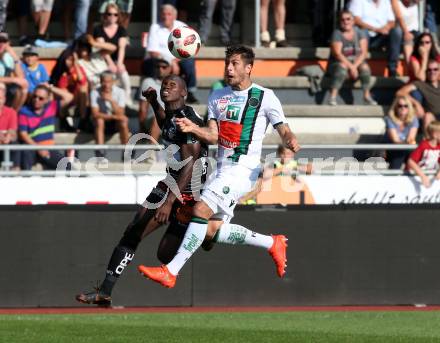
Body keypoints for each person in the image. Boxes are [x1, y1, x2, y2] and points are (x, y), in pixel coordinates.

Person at [138, 45, 300, 288]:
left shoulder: (265, 96)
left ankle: (171, 271)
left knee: (199, 211)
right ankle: (272, 243)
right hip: (223, 169)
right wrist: (193, 128)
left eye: (234, 63)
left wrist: (290, 138)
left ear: (248, 68)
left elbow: (283, 128)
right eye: (227, 63)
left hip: (243, 169)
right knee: (211, 229)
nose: (229, 68)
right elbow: (213, 136)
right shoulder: (217, 97)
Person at [75, 74, 209, 305]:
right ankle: (105, 292)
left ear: (184, 93)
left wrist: (169, 202)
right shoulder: (172, 115)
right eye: (164, 84)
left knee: (165, 254)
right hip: (171, 182)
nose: (166, 87)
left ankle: (206, 234)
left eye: (172, 85)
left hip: (189, 190)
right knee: (133, 230)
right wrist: (154, 103)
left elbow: (191, 164)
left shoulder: (187, 119)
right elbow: (166, 123)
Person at [143, 4, 199, 104]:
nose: (166, 16)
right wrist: (170, 62)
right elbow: (153, 52)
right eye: (164, 14)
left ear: (174, 16)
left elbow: (189, 48)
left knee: (189, 61)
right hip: (160, 59)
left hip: (177, 59)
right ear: (160, 15)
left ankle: (190, 92)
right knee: (150, 64)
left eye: (169, 14)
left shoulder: (181, 26)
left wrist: (175, 61)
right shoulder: (155, 27)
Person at [327, 10, 377, 106]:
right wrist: (352, 67)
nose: (345, 22)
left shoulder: (360, 32)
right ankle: (333, 96)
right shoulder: (337, 33)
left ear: (353, 21)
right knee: (342, 67)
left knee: (365, 67)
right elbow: (338, 54)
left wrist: (354, 66)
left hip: (355, 63)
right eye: (342, 20)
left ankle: (366, 96)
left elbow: (363, 53)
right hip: (338, 65)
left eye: (348, 19)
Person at [18, 84, 73, 170]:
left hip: (48, 148)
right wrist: (38, 148)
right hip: (31, 147)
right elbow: (23, 134)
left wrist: (50, 88)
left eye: (41, 98)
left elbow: (69, 97)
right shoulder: (24, 111)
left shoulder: (52, 107)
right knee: (26, 155)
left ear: (47, 100)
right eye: (34, 96)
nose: (36, 100)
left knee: (67, 166)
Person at [93, 2, 131, 104]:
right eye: (110, 14)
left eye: (115, 14)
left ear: (118, 15)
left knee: (124, 75)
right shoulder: (98, 29)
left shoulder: (121, 29)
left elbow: (122, 47)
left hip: (117, 59)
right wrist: (110, 63)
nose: (112, 16)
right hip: (102, 59)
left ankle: (127, 99)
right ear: (105, 15)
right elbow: (102, 49)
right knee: (101, 78)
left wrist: (119, 63)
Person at [349, 0, 397, 76]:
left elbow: (392, 21)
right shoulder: (358, 1)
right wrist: (375, 29)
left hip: (381, 36)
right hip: (365, 35)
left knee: (397, 31)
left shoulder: (386, 2)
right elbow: (355, 20)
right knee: (362, 31)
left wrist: (386, 28)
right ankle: (362, 68)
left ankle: (392, 68)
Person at [90, 71, 129, 156]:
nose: (106, 84)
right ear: (100, 82)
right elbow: (95, 114)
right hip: (101, 122)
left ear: (113, 82)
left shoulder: (120, 92)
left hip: (114, 123)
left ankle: (126, 152)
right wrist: (114, 117)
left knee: (124, 122)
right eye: (104, 81)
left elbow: (121, 113)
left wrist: (111, 100)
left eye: (109, 82)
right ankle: (100, 152)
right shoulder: (94, 92)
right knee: (99, 121)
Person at [396, 59, 440, 134]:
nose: (432, 72)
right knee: (427, 116)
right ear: (426, 72)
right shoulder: (421, 84)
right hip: (433, 117)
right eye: (429, 70)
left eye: (435, 69)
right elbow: (399, 93)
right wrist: (416, 103)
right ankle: (427, 144)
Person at [138, 56, 172, 142]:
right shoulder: (148, 82)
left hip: (171, 120)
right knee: (156, 119)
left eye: (164, 67)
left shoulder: (176, 83)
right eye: (158, 67)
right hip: (152, 120)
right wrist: (142, 128)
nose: (160, 69)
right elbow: (143, 108)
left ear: (169, 68)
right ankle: (151, 152)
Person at [56, 50, 89, 128]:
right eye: (68, 59)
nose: (69, 62)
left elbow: (82, 80)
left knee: (83, 88)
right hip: (68, 97)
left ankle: (83, 121)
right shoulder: (63, 73)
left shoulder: (79, 69)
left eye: (72, 60)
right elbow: (62, 89)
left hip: (79, 97)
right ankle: (63, 123)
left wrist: (76, 65)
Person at [384, 95, 419, 169]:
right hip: (391, 149)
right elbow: (395, 140)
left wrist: (408, 142)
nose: (403, 108)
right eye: (400, 106)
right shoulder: (389, 119)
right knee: (401, 152)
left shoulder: (414, 119)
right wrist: (407, 142)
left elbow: (411, 139)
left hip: (405, 150)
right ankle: (393, 175)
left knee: (409, 154)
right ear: (395, 107)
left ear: (409, 107)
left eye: (406, 106)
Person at [406, 120, 440, 188]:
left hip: (429, 176)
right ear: (435, 134)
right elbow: (410, 161)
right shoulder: (423, 145)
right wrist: (422, 176)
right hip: (415, 176)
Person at [0, 33, 28, 111]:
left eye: (4, 41)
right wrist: (13, 79)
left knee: (23, 88)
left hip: (6, 86)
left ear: (8, 44)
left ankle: (13, 114)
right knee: (1, 87)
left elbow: (21, 77)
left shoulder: (8, 56)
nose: (1, 44)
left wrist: (14, 57)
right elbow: (15, 79)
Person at [390, 0, 421, 67]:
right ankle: (407, 67)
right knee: (402, 36)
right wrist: (406, 32)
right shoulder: (395, 1)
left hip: (413, 32)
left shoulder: (415, 3)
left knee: (423, 38)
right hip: (399, 32)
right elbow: (399, 17)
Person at [0, 82, 19, 169]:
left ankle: (14, 171)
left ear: (4, 99)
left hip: (5, 144)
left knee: (14, 143)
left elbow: (13, 132)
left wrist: (9, 136)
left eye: (0, 98)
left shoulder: (11, 112)